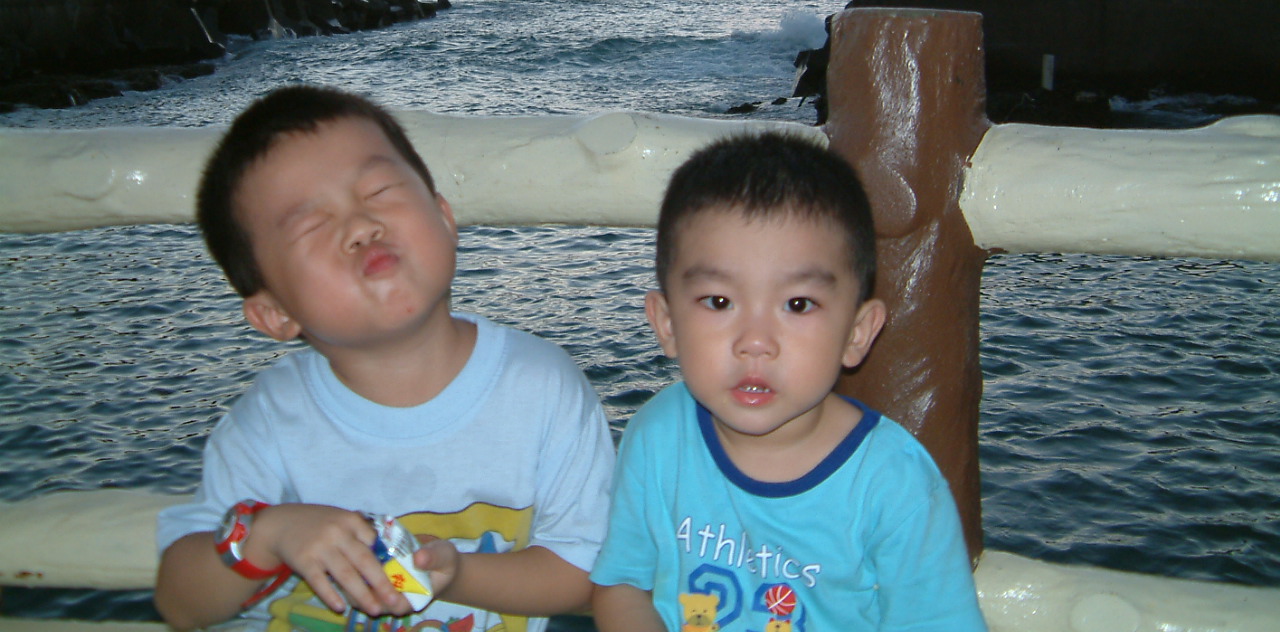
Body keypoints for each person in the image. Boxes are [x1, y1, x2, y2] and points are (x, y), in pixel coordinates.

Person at [154, 85, 614, 632]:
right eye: (311, 225)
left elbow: (582, 573)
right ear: (275, 313)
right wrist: (269, 535)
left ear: (444, 217)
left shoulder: (542, 388)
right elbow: (182, 603)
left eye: (378, 190)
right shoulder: (271, 419)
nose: (359, 225)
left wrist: (457, 575)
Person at [590, 132, 987, 631]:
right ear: (667, 324)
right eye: (718, 301)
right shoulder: (658, 435)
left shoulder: (894, 486)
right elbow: (623, 584)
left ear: (857, 333)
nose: (756, 342)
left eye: (798, 304)